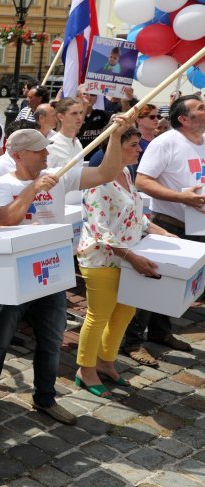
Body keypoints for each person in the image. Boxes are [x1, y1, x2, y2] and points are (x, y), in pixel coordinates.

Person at [0, 123, 126, 423]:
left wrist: (114, 136)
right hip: (16, 275)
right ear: (18, 156)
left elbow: (106, 173)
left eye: (46, 148)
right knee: (0, 336)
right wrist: (33, 189)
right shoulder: (2, 184)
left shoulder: (59, 174)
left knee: (51, 339)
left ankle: (45, 397)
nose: (47, 153)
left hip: (52, 271)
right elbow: (5, 220)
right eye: (38, 151)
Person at [75, 127, 175, 394]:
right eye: (133, 144)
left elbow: (134, 215)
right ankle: (85, 370)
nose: (139, 149)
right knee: (98, 316)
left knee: (125, 313)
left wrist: (162, 233)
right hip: (101, 259)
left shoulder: (127, 174)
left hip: (129, 258)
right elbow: (99, 228)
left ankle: (106, 362)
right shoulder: (97, 179)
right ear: (116, 147)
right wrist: (132, 256)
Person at [127, 95, 204, 364]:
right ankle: (132, 341)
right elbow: (143, 181)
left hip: (198, 225)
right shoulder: (166, 142)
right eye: (200, 108)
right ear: (184, 119)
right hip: (168, 223)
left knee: (176, 284)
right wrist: (182, 198)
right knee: (153, 283)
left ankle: (161, 333)